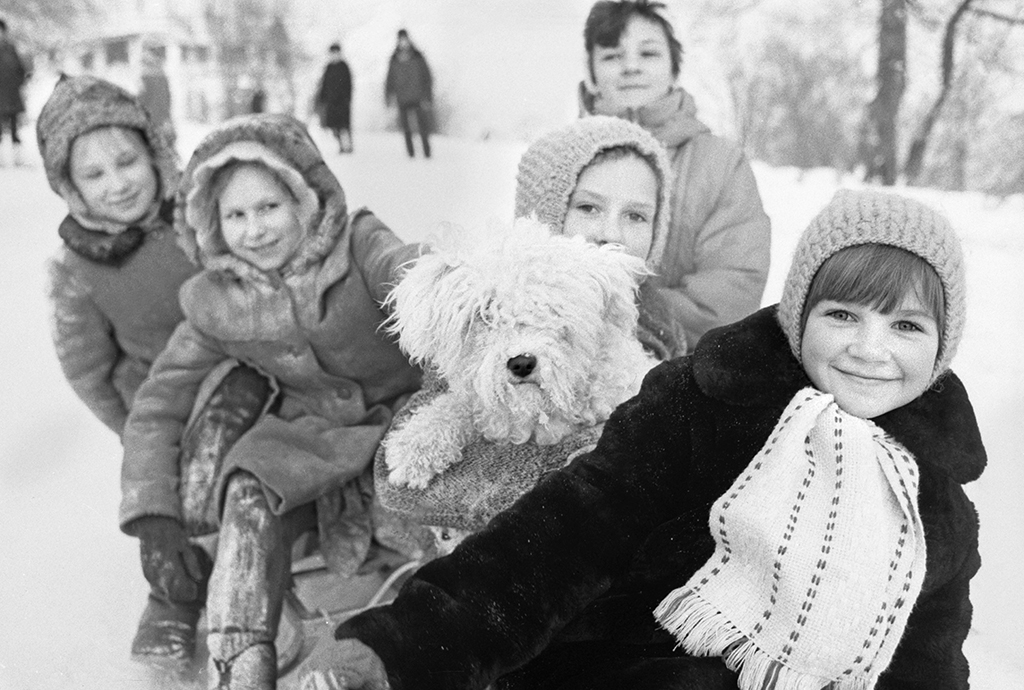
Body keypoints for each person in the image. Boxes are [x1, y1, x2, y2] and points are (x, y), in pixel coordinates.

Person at [297, 189, 986, 690]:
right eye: (843, 314)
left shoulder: (936, 505)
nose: (871, 350)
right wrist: (405, 646)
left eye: (906, 327)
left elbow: (928, 662)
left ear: (942, 346)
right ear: (799, 313)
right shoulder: (704, 404)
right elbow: (560, 538)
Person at [118, 113, 425, 687]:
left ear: (304, 200)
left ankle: (443, 641)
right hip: (308, 441)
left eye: (269, 207)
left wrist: (436, 279)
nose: (255, 229)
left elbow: (408, 271)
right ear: (212, 225)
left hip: (407, 416)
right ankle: (240, 660)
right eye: (235, 215)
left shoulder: (358, 243)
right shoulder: (214, 301)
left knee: (440, 503)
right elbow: (159, 403)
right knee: (249, 482)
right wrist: (154, 515)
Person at [37, 75, 274, 668]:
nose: (118, 184)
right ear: (69, 187)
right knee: (168, 489)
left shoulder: (194, 213)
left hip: (253, 361)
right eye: (94, 175)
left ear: (154, 153)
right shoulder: (75, 269)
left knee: (261, 456)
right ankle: (174, 592)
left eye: (127, 161)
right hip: (163, 398)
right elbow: (87, 369)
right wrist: (132, 426)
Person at [373, 115, 680, 555]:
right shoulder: (475, 313)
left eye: (635, 216)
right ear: (547, 207)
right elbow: (400, 485)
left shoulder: (666, 332)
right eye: (588, 207)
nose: (610, 233)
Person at [580, 0, 771, 351]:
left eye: (648, 54)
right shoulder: (565, 156)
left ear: (673, 68)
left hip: (679, 367)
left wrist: (630, 320)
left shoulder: (721, 163)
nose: (631, 67)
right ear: (591, 72)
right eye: (611, 56)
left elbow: (730, 291)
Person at [384, 28, 433, 159]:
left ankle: (427, 153)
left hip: (418, 97)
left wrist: (427, 97)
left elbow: (427, 77)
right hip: (402, 98)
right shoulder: (394, 59)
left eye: (405, 39)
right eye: (401, 40)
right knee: (406, 128)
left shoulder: (418, 56)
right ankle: (410, 154)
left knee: (423, 126)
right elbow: (389, 80)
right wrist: (388, 97)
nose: (403, 42)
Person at [314, 42, 353, 153]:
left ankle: (348, 145)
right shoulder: (328, 68)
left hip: (343, 102)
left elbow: (349, 84)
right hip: (331, 102)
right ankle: (341, 145)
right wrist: (322, 98)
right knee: (334, 126)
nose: (334, 55)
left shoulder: (344, 67)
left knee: (344, 126)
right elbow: (324, 84)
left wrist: (348, 98)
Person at [0, 17, 28, 166]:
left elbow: (20, 70)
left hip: (12, 95)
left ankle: (18, 159)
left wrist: (19, 83)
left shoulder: (11, 49)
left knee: (14, 129)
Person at [138, 47, 175, 148]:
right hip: (158, 120)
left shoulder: (149, 78)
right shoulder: (161, 76)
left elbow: (143, 100)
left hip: (154, 121)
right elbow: (166, 99)